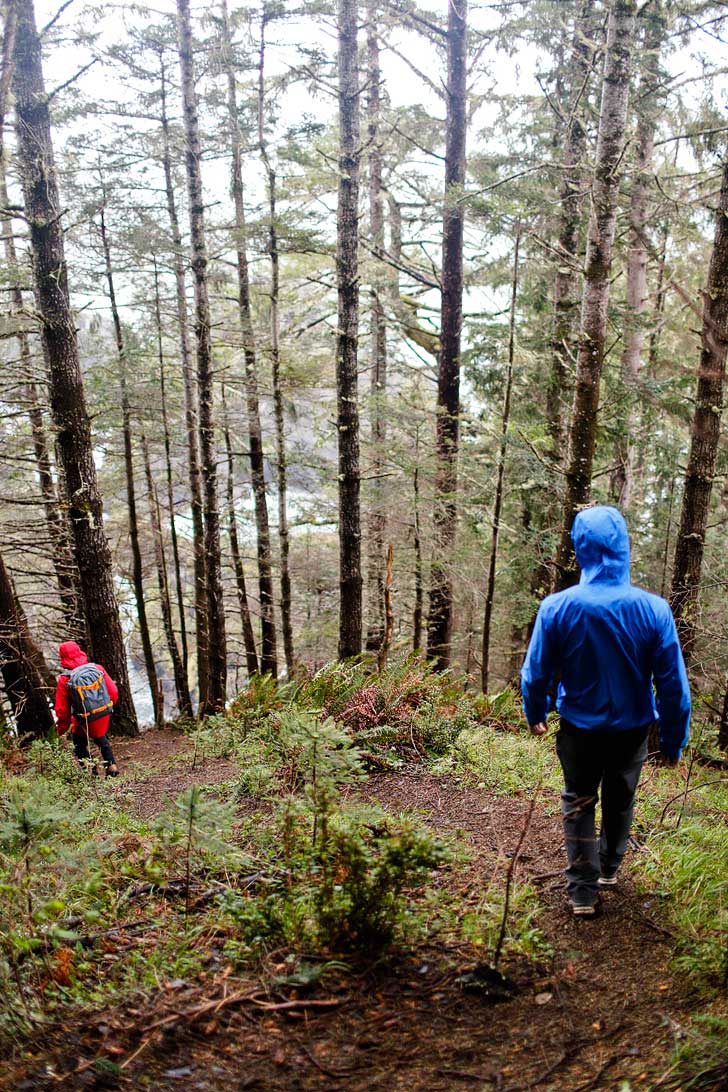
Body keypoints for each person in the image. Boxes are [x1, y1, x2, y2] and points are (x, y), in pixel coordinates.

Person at [521, 506, 691, 918]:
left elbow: (536, 671)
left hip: (578, 727)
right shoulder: (653, 610)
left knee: (578, 801)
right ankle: (609, 868)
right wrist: (672, 740)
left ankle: (582, 892)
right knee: (620, 798)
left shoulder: (558, 607)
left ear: (581, 548)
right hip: (632, 730)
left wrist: (536, 709)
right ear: (623, 548)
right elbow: (673, 687)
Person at [55, 641, 120, 777]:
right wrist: (107, 707)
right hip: (103, 712)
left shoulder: (65, 679)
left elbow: (62, 710)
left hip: (83, 717)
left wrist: (61, 728)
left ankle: (90, 770)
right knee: (100, 737)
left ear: (62, 657)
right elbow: (113, 691)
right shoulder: (97, 668)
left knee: (79, 743)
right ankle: (111, 765)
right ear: (79, 651)